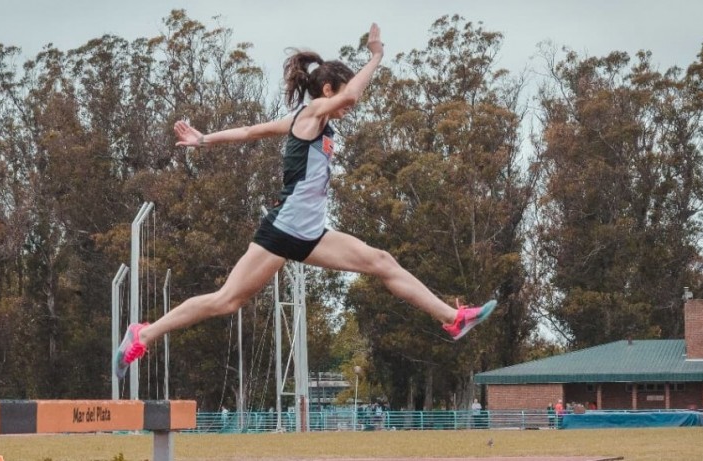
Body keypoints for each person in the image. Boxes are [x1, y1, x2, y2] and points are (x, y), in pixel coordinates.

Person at [114, 23, 497, 380]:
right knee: (226, 301)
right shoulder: (313, 113)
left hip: (312, 233)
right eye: (342, 96)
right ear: (327, 90)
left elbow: (251, 130)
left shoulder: (306, 119)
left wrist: (205, 139)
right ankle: (143, 333)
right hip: (282, 232)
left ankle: (454, 318)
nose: (350, 106)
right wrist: (377, 56)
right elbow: (349, 95)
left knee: (382, 261)